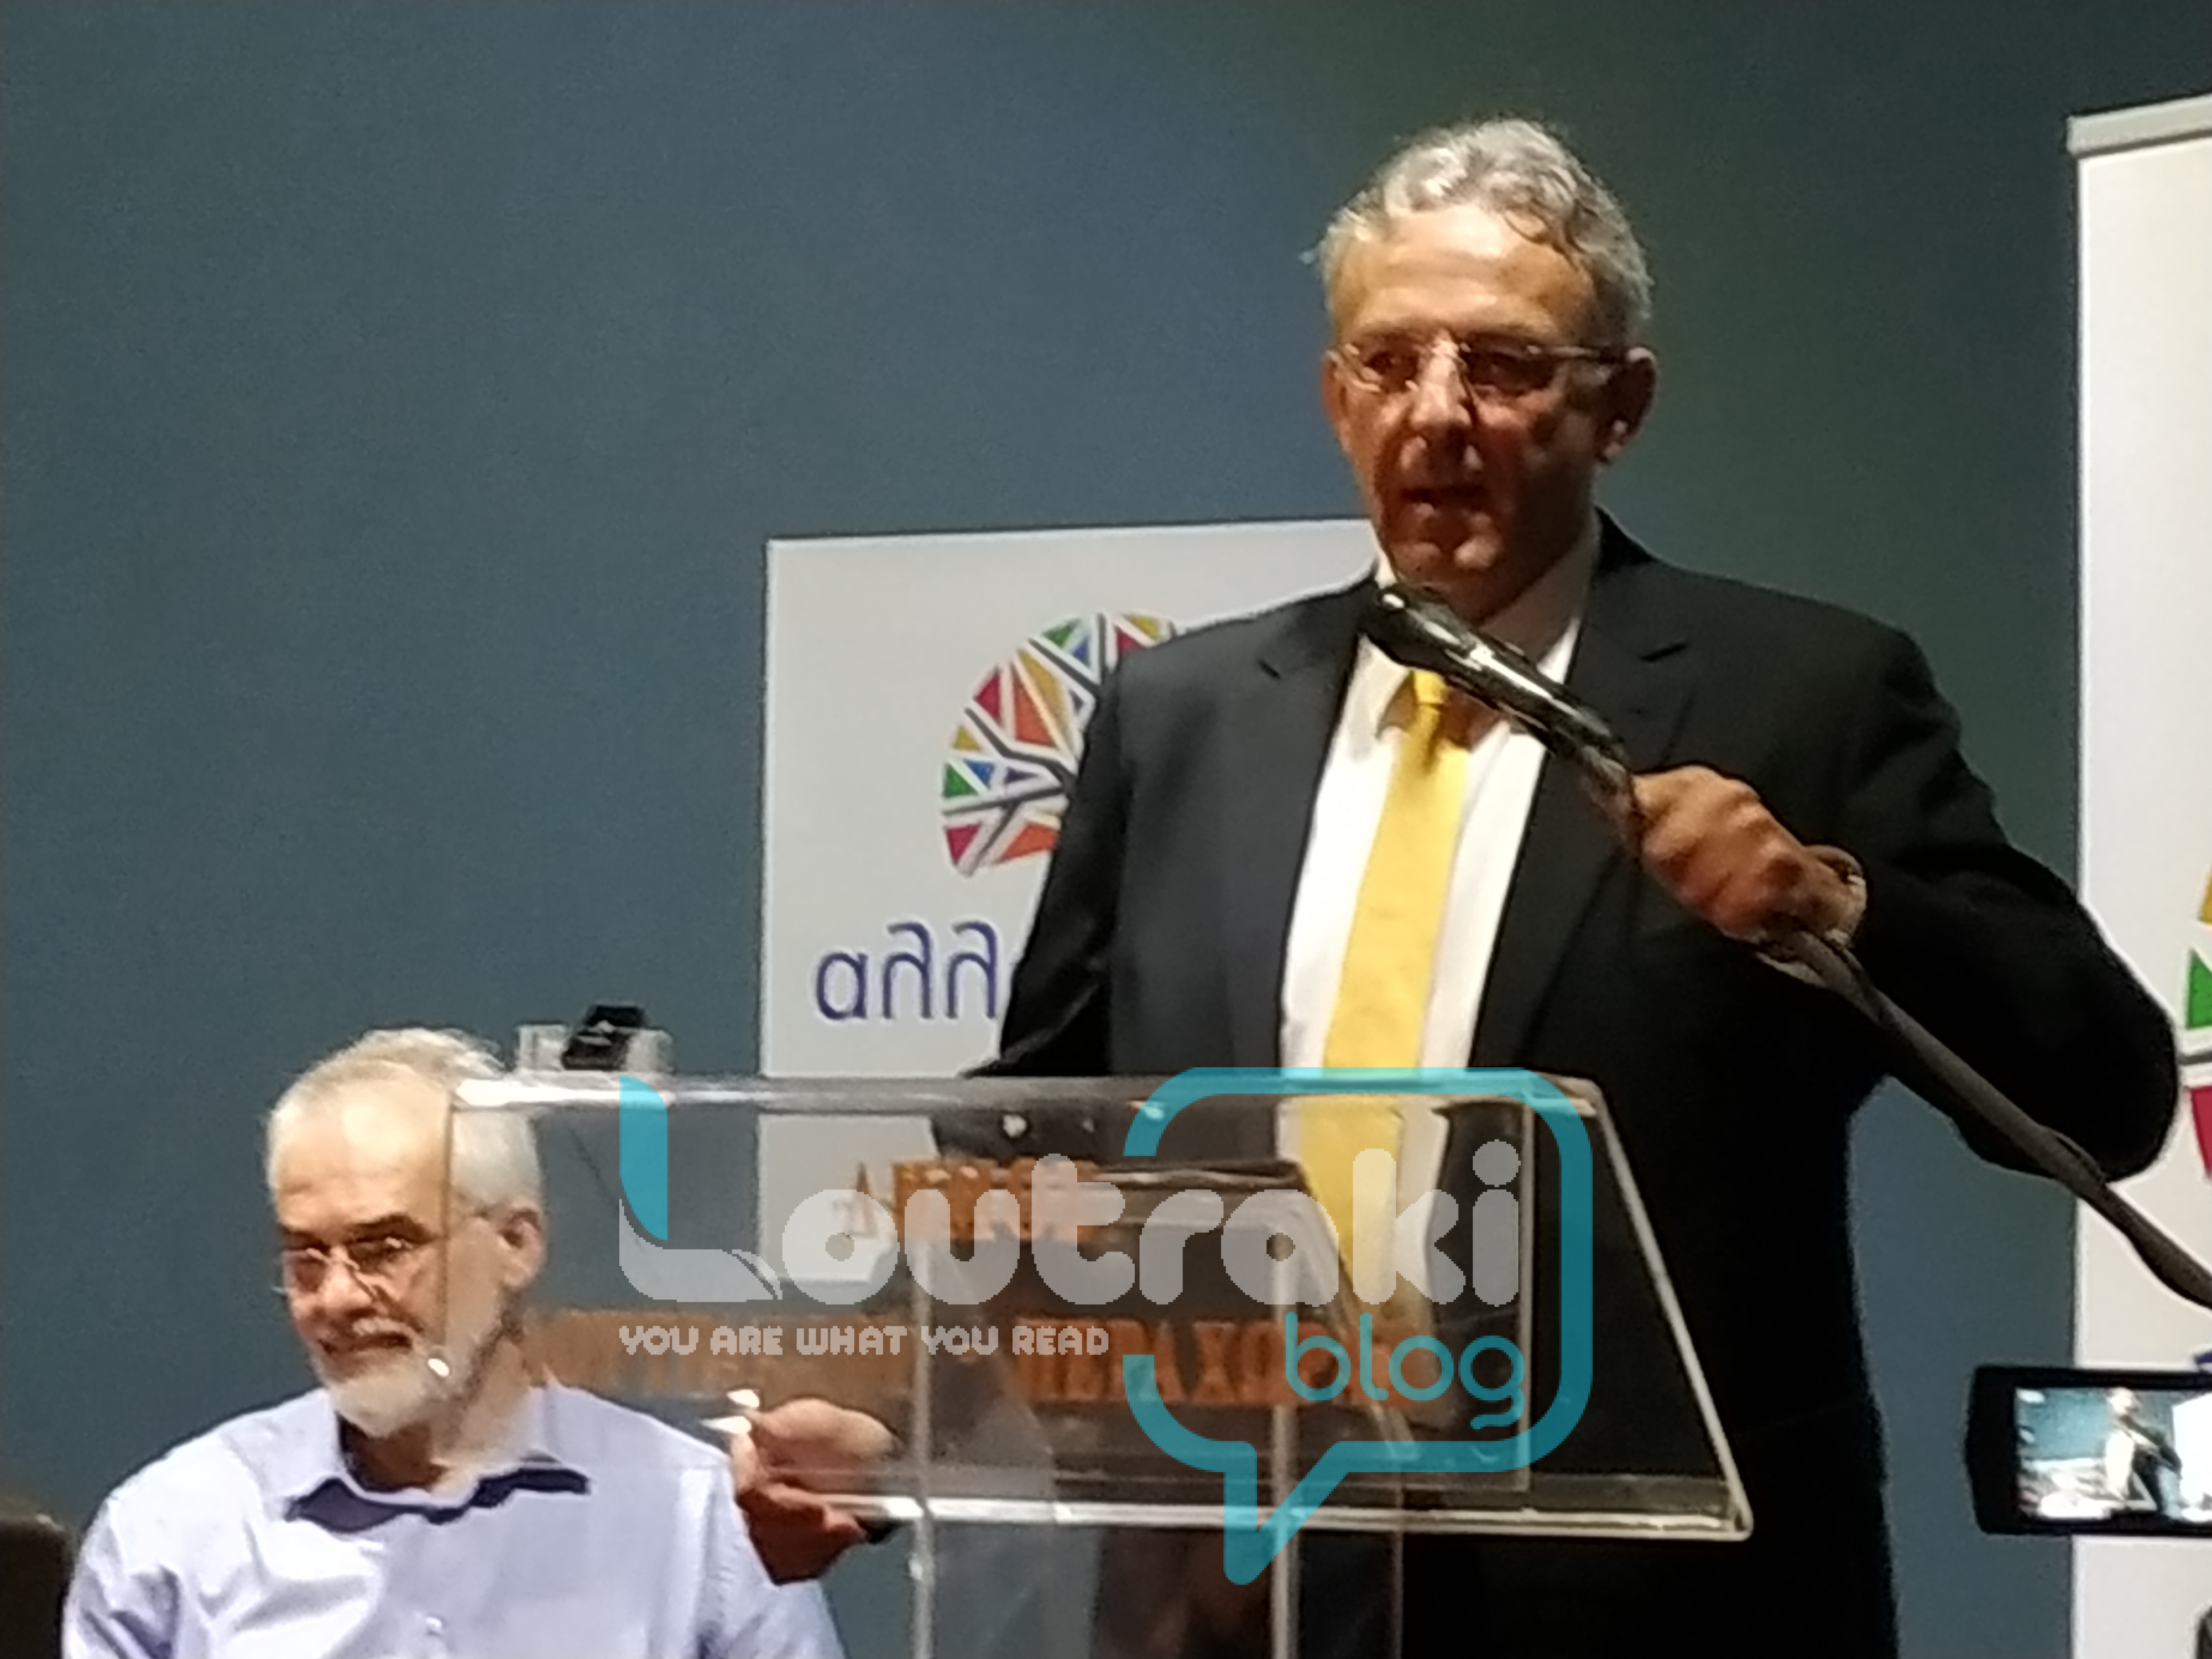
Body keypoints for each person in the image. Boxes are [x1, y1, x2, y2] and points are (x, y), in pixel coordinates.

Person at [973, 116, 2179, 1657]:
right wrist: (881, 1415)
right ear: (1335, 396)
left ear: (1621, 407)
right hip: (1240, 1587)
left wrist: (1839, 908)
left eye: (1503, 364)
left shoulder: (1799, 695)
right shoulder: (1182, 716)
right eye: (1387, 362)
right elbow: (1030, 1133)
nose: (1436, 411)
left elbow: (2107, 1089)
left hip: (1656, 1605)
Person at [62, 1028, 844, 1659]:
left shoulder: (702, 1527)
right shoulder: (171, 1536)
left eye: (385, 1249)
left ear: (516, 1244)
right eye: (306, 1258)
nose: (337, 1298)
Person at [2104, 1387, 2182, 1515]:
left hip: (2153, 1508)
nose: (2127, 1402)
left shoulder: (2152, 1434)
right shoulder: (2112, 1439)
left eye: (2130, 1397)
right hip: (2120, 1508)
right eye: (2120, 1399)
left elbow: (2175, 1464)